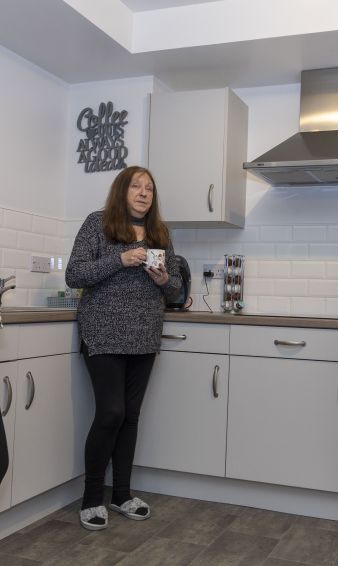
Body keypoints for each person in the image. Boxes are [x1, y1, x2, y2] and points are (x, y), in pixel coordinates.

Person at [66, 165, 181, 531]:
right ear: (122, 190)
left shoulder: (160, 233)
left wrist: (164, 279)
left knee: (130, 416)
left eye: (150, 188)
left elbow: (176, 289)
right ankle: (91, 499)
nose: (144, 193)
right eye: (137, 186)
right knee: (110, 413)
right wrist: (120, 259)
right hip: (103, 333)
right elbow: (75, 274)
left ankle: (122, 495)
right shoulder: (98, 223)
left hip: (145, 335)